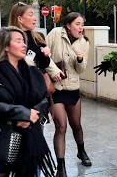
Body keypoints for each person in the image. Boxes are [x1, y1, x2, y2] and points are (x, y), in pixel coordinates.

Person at [0, 26, 56, 177]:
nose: (24, 45)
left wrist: (31, 117)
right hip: (0, 135)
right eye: (18, 41)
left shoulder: (31, 70)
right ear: (6, 46)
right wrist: (22, 115)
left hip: (31, 135)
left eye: (24, 41)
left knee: (32, 172)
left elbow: (43, 99)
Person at [45, 12, 91, 177]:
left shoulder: (84, 42)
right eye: (77, 24)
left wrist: (80, 59)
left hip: (72, 88)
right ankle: (61, 167)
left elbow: (81, 69)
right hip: (56, 88)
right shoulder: (56, 33)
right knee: (61, 127)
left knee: (76, 125)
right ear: (68, 25)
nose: (81, 27)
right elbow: (44, 55)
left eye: (82, 24)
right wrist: (54, 70)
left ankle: (81, 151)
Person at [8, 2, 61, 124]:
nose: (35, 18)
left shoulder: (38, 37)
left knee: (36, 135)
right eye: (31, 14)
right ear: (20, 19)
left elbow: (43, 65)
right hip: (14, 96)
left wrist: (46, 55)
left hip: (35, 95)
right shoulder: (6, 37)